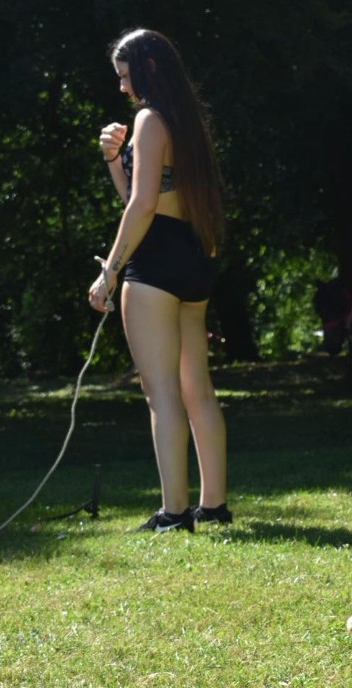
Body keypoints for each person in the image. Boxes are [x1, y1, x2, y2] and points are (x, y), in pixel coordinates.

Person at [88, 28, 231, 533]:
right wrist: (114, 160)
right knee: (198, 388)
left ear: (148, 68)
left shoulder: (150, 120)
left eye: (126, 76)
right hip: (194, 256)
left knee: (162, 393)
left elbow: (143, 206)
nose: (123, 87)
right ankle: (213, 505)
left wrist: (109, 272)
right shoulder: (186, 121)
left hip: (155, 263)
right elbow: (141, 197)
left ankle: (174, 512)